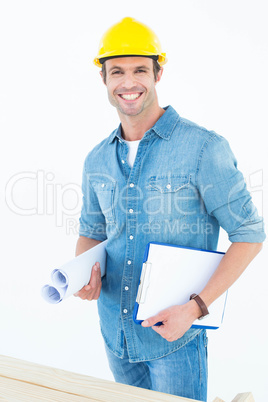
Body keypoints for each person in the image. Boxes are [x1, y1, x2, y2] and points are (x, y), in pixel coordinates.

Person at [74, 17, 265, 401]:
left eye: (140, 70)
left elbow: (250, 234)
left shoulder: (202, 148)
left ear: (158, 73)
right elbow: (91, 231)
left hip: (175, 339)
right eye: (118, 72)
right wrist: (83, 273)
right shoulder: (97, 159)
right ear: (104, 80)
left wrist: (195, 309)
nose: (129, 83)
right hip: (116, 334)